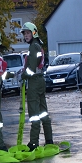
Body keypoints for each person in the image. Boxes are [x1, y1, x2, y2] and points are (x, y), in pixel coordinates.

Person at [20, 22, 53, 150]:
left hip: (34, 81)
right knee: (43, 112)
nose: (26, 35)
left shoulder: (33, 47)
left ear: (34, 33)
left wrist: (22, 76)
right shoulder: (38, 45)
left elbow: (31, 69)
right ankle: (49, 140)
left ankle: (33, 143)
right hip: (40, 80)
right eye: (24, 33)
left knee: (34, 113)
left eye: (28, 33)